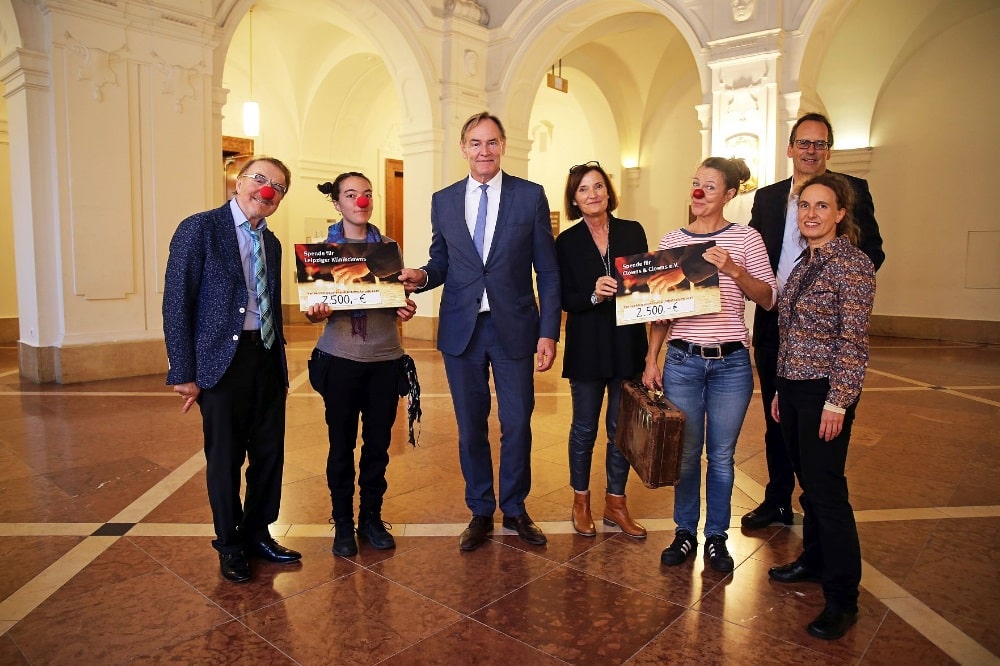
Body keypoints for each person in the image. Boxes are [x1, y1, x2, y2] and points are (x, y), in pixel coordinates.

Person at [399, 112, 561, 551]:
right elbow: (442, 262)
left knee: (517, 423)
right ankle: (480, 510)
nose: (483, 151)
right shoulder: (444, 200)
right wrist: (420, 275)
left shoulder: (529, 197)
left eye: (491, 143)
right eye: (475, 143)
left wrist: (549, 332)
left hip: (514, 329)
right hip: (461, 330)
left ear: (503, 146)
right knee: (470, 425)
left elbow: (546, 270)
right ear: (463, 148)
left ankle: (515, 508)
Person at [742, 112, 885, 530]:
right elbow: (752, 251)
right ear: (789, 148)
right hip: (774, 323)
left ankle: (818, 506)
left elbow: (873, 250)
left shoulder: (853, 191)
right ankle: (777, 500)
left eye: (819, 144)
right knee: (777, 420)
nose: (810, 151)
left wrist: (834, 290)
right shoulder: (768, 198)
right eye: (803, 143)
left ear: (828, 151)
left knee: (819, 434)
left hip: (825, 330)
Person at [163, 156, 301, 583]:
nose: (267, 190)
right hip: (221, 360)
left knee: (269, 454)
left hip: (265, 355)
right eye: (260, 180)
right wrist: (184, 372)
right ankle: (229, 544)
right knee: (224, 457)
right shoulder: (199, 228)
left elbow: (270, 305)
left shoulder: (272, 244)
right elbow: (176, 303)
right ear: (238, 183)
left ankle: (258, 533)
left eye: (277, 187)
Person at [642, 157, 776, 573]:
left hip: (731, 364)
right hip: (683, 360)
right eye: (695, 183)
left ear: (730, 195)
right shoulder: (673, 240)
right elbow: (659, 310)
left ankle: (717, 537)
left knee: (721, 455)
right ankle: (685, 533)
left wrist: (733, 269)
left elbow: (769, 298)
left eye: (710, 187)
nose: (698, 193)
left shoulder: (746, 239)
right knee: (685, 454)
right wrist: (651, 358)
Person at [767, 173, 875, 641]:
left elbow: (853, 343)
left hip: (824, 394)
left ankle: (842, 598)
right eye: (804, 206)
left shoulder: (853, 265)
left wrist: (838, 401)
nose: (810, 214)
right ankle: (813, 560)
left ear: (841, 214)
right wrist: (778, 390)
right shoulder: (802, 263)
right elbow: (791, 333)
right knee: (808, 486)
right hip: (792, 389)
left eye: (822, 206)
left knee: (828, 494)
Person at [305, 172, 417, 558]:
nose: (361, 201)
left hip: (385, 359)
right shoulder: (321, 249)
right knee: (340, 446)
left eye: (367, 194)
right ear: (337, 203)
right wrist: (316, 312)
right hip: (340, 359)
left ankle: (371, 516)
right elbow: (311, 313)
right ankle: (343, 522)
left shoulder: (387, 248)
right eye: (351, 195)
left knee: (378, 445)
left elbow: (393, 302)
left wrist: (405, 306)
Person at [555, 161, 648, 538]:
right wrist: (593, 293)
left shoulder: (632, 231)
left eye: (598, 187)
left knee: (620, 428)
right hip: (587, 344)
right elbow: (564, 298)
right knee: (584, 428)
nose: (592, 194)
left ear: (608, 192)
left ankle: (616, 503)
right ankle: (581, 501)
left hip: (627, 342)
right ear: (574, 200)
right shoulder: (566, 241)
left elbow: (644, 285)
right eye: (583, 190)